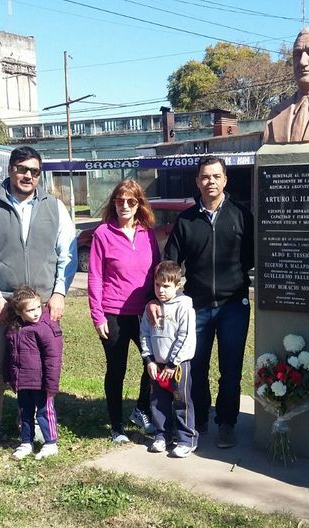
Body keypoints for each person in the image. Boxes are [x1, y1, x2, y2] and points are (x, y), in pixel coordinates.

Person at [0, 146, 76, 456]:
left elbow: (67, 254)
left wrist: (59, 292)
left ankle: (37, 424)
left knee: (38, 368)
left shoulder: (54, 207)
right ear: (10, 169)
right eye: (22, 168)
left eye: (34, 171)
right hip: (5, 304)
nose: (28, 175)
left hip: (41, 305)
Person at [165, 156, 254, 449]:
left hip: (233, 306)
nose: (210, 182)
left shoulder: (242, 215)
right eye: (205, 177)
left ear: (225, 180)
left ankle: (226, 423)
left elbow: (253, 259)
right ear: (197, 181)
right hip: (197, 307)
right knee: (196, 367)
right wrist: (165, 298)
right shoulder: (186, 220)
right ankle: (200, 418)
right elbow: (170, 264)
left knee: (230, 369)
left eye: (216, 176)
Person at [88, 179, 160, 443]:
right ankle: (116, 425)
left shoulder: (147, 233)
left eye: (131, 201)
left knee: (152, 363)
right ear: (114, 203)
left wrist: (158, 302)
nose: (125, 206)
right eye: (120, 201)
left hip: (144, 313)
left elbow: (157, 271)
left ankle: (141, 410)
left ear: (139, 204)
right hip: (113, 313)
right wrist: (97, 316)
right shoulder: (102, 234)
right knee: (116, 369)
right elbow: (95, 277)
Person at [140, 261, 197, 457]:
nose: (161, 291)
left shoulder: (184, 306)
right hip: (157, 364)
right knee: (158, 401)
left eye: (166, 286)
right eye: (157, 285)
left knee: (182, 402)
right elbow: (145, 334)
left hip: (178, 365)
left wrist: (173, 363)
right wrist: (149, 360)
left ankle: (186, 439)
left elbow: (186, 336)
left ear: (178, 285)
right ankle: (162, 435)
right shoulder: (151, 308)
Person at [4, 286, 62, 461]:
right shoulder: (14, 330)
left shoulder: (45, 328)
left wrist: (51, 384)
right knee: (24, 412)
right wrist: (10, 377)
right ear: (19, 312)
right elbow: (11, 355)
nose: (36, 312)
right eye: (30, 310)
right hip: (23, 381)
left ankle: (50, 442)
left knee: (45, 411)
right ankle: (26, 442)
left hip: (41, 382)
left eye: (38, 307)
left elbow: (53, 357)